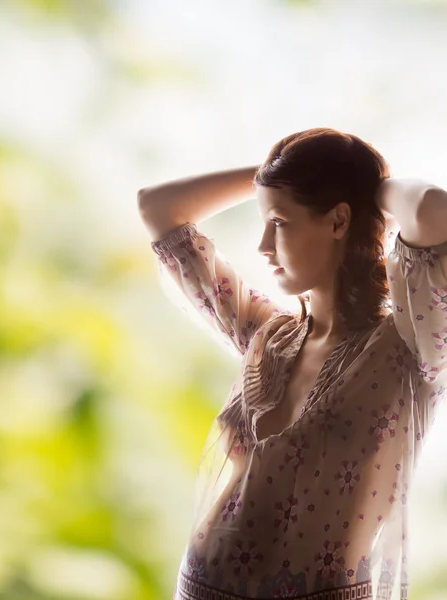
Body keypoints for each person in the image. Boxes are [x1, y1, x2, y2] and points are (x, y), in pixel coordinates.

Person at [137, 128, 447, 600]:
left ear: (339, 220)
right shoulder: (265, 334)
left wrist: (365, 185)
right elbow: (157, 207)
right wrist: (272, 179)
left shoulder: (409, 347)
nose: (263, 244)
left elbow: (433, 210)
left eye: (278, 221)